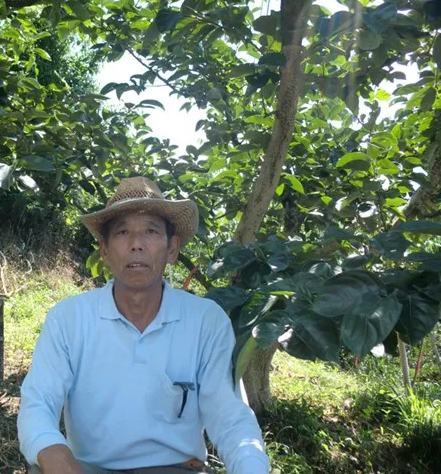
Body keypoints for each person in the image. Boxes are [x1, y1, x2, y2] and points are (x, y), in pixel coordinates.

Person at [17, 177, 270, 474]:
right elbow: (38, 402)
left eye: (151, 231)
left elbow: (229, 416)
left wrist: (251, 466)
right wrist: (53, 451)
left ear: (172, 248)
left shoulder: (206, 321)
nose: (136, 244)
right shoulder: (69, 319)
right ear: (104, 250)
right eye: (122, 232)